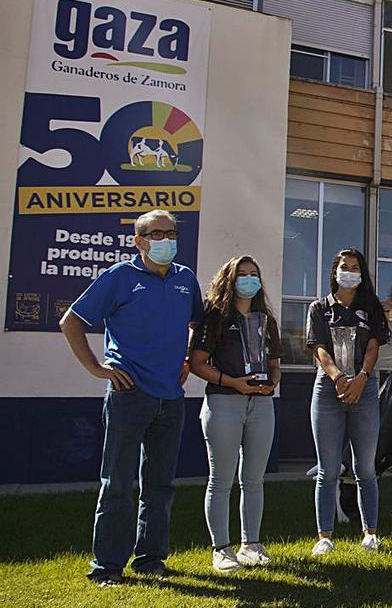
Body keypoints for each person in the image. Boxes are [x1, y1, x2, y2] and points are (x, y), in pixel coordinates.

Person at [59, 209, 203, 586]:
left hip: (171, 398)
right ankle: (106, 566)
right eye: (157, 234)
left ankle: (150, 559)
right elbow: (71, 320)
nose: (166, 240)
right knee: (118, 483)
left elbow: (195, 323)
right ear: (138, 242)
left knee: (160, 485)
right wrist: (97, 368)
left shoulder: (185, 278)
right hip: (129, 395)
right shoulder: (119, 277)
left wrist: (187, 356)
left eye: (171, 233)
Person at [188, 255, 281, 573]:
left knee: (254, 479)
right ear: (229, 279)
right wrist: (232, 383)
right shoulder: (214, 317)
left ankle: (251, 544)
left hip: (261, 405)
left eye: (254, 274)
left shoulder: (266, 318)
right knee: (221, 480)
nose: (249, 279)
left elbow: (274, 364)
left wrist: (271, 383)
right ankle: (221, 550)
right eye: (242, 274)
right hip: (224, 403)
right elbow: (197, 363)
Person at [305, 248, 390, 555]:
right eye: (344, 267)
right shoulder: (319, 308)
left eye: (355, 267)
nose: (350, 272)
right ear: (335, 271)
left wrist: (362, 377)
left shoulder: (372, 307)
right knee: (327, 470)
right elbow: (319, 350)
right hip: (328, 390)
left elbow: (372, 347)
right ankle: (324, 536)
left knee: (364, 468)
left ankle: (370, 533)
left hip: (365, 389)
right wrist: (339, 378)